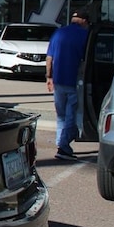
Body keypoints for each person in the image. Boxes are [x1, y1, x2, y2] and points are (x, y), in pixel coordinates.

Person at [45, 10, 90, 161]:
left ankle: (60, 142)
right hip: (74, 82)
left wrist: (49, 77)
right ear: (83, 21)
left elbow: (49, 58)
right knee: (71, 116)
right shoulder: (85, 35)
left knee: (61, 115)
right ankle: (63, 147)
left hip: (58, 80)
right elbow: (86, 61)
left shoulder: (58, 33)